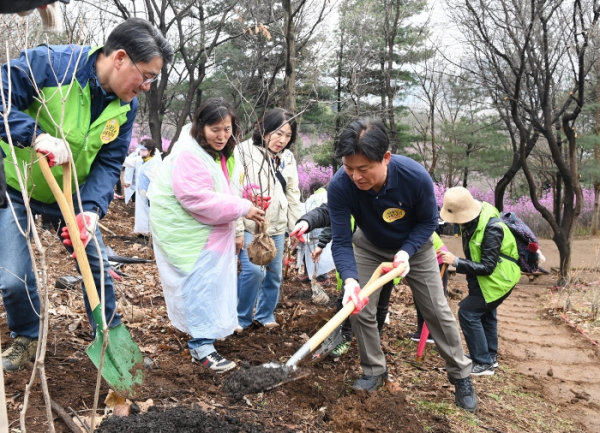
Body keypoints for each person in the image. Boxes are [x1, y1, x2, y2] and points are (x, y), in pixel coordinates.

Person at [0, 18, 173, 372]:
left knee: (94, 262)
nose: (148, 87)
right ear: (120, 58)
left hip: (71, 193)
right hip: (18, 186)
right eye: (147, 76)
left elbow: (110, 162)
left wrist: (91, 210)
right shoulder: (47, 65)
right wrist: (34, 135)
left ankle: (109, 337)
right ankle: (27, 337)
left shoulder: (127, 105)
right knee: (14, 278)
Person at [327, 119, 477, 412]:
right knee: (359, 308)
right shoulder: (340, 185)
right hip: (369, 244)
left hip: (415, 246)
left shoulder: (414, 177)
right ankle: (373, 370)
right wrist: (349, 281)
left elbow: (427, 222)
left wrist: (406, 252)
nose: (355, 176)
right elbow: (342, 241)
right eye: (349, 168)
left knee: (435, 309)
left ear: (385, 158)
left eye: (363, 168)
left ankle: (461, 375)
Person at [148, 98, 266, 372]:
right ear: (200, 127)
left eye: (227, 128)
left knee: (213, 286)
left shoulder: (219, 153)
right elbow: (197, 199)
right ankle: (201, 347)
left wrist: (241, 209)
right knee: (201, 288)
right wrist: (243, 208)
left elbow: (224, 188)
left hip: (212, 234)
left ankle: (207, 337)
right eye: (215, 129)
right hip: (195, 237)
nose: (223, 135)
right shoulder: (189, 155)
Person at [290, 202, 395, 360]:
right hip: (355, 259)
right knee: (346, 298)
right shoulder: (351, 196)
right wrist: (321, 243)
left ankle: (375, 339)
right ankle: (344, 336)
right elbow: (335, 219)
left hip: (388, 258)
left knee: (381, 301)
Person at [438, 187, 521, 376]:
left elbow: (487, 267)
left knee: (468, 312)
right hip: (486, 281)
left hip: (499, 279)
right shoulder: (473, 221)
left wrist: (456, 261)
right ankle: (489, 356)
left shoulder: (492, 228)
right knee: (486, 314)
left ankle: (483, 363)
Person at [235, 108, 302, 332]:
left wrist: (296, 227)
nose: (282, 140)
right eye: (277, 133)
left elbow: (293, 193)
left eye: (288, 136)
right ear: (264, 129)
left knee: (274, 274)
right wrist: (236, 228)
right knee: (253, 271)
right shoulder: (243, 151)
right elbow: (233, 190)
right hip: (249, 225)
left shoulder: (288, 157)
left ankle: (265, 314)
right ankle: (240, 317)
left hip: (276, 225)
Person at [408, 231, 449, 344]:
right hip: (423, 261)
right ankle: (422, 331)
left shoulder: (417, 229)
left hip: (438, 261)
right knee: (419, 298)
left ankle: (437, 335)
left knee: (434, 299)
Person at [295, 180, 334, 286]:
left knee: (313, 255)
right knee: (319, 255)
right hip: (327, 231)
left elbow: (306, 212)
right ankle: (309, 273)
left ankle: (322, 278)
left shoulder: (313, 198)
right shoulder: (329, 194)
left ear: (313, 189)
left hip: (313, 231)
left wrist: (304, 223)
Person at [133, 138, 161, 235]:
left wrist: (150, 194)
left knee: (148, 213)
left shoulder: (154, 163)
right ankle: (141, 231)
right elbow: (129, 162)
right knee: (141, 212)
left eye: (144, 150)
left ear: (150, 151)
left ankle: (148, 232)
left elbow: (155, 180)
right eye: (141, 150)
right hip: (141, 193)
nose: (141, 152)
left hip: (148, 194)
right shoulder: (141, 161)